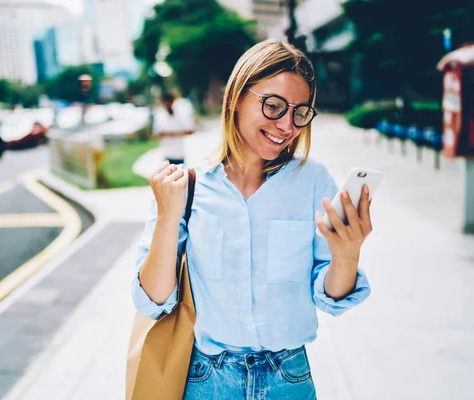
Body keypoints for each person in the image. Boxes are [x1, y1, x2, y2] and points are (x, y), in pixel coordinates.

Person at [132, 40, 372, 399]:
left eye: (300, 112)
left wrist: (348, 252)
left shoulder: (313, 181)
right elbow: (153, 300)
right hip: (207, 380)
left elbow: (330, 297)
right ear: (237, 98)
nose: (286, 125)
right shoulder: (189, 183)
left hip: (288, 379)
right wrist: (168, 218)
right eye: (273, 106)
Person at [152, 91, 195, 165]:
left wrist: (171, 134)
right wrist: (175, 134)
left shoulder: (180, 114)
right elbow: (156, 134)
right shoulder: (160, 116)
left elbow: (190, 130)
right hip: (167, 154)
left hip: (180, 153)